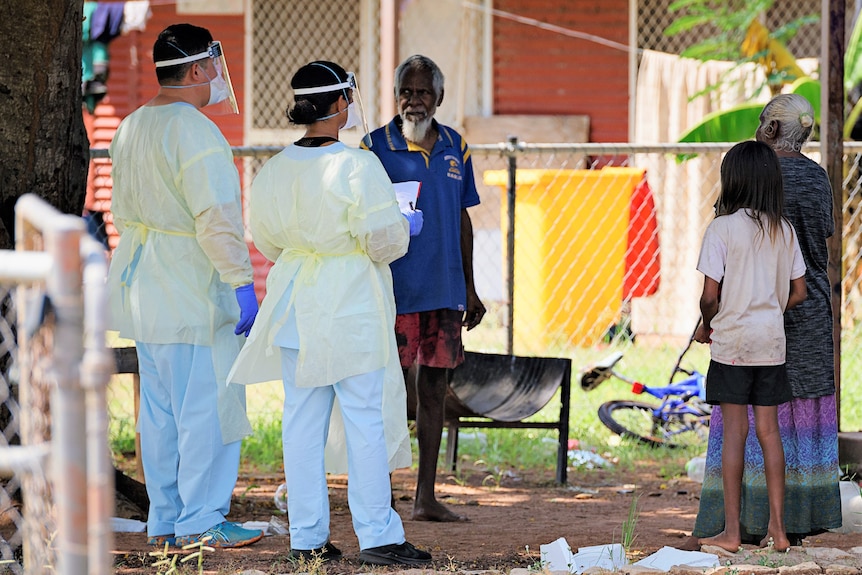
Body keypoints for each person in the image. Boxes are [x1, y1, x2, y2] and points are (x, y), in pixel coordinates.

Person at [227, 60, 432, 566]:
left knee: (301, 423)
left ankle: (308, 537)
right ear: (340, 103)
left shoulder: (273, 168)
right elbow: (382, 240)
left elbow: (269, 240)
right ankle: (379, 535)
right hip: (348, 304)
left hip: (295, 301)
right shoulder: (357, 165)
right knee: (364, 419)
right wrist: (408, 225)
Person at [106, 24, 263, 548]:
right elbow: (215, 218)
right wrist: (241, 281)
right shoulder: (194, 130)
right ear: (197, 69)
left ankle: (167, 520)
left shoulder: (130, 126)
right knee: (205, 412)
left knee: (160, 415)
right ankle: (201, 519)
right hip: (192, 289)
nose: (218, 75)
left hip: (145, 290)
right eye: (212, 65)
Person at [684, 94, 842, 550]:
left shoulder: (742, 192)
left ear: (771, 130)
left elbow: (717, 280)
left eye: (761, 122)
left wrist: (708, 318)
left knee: (740, 425)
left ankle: (738, 525)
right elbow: (815, 252)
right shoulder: (818, 178)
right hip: (801, 313)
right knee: (794, 415)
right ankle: (796, 521)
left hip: (739, 322)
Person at [362, 54, 486, 522]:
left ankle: (425, 498)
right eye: (406, 92)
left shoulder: (457, 147)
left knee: (434, 391)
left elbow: (461, 216)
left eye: (423, 93)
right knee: (385, 394)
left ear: (440, 97)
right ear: (396, 97)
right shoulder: (374, 147)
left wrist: (470, 288)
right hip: (393, 292)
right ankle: (381, 496)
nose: (414, 102)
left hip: (444, 291)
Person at [693, 140, 808, 552]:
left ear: (733, 181)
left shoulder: (721, 229)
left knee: (735, 434)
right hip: (771, 343)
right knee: (769, 432)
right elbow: (800, 291)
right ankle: (778, 530)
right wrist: (770, 309)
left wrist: (708, 323)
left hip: (733, 344)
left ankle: (732, 531)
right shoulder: (785, 229)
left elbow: (710, 296)